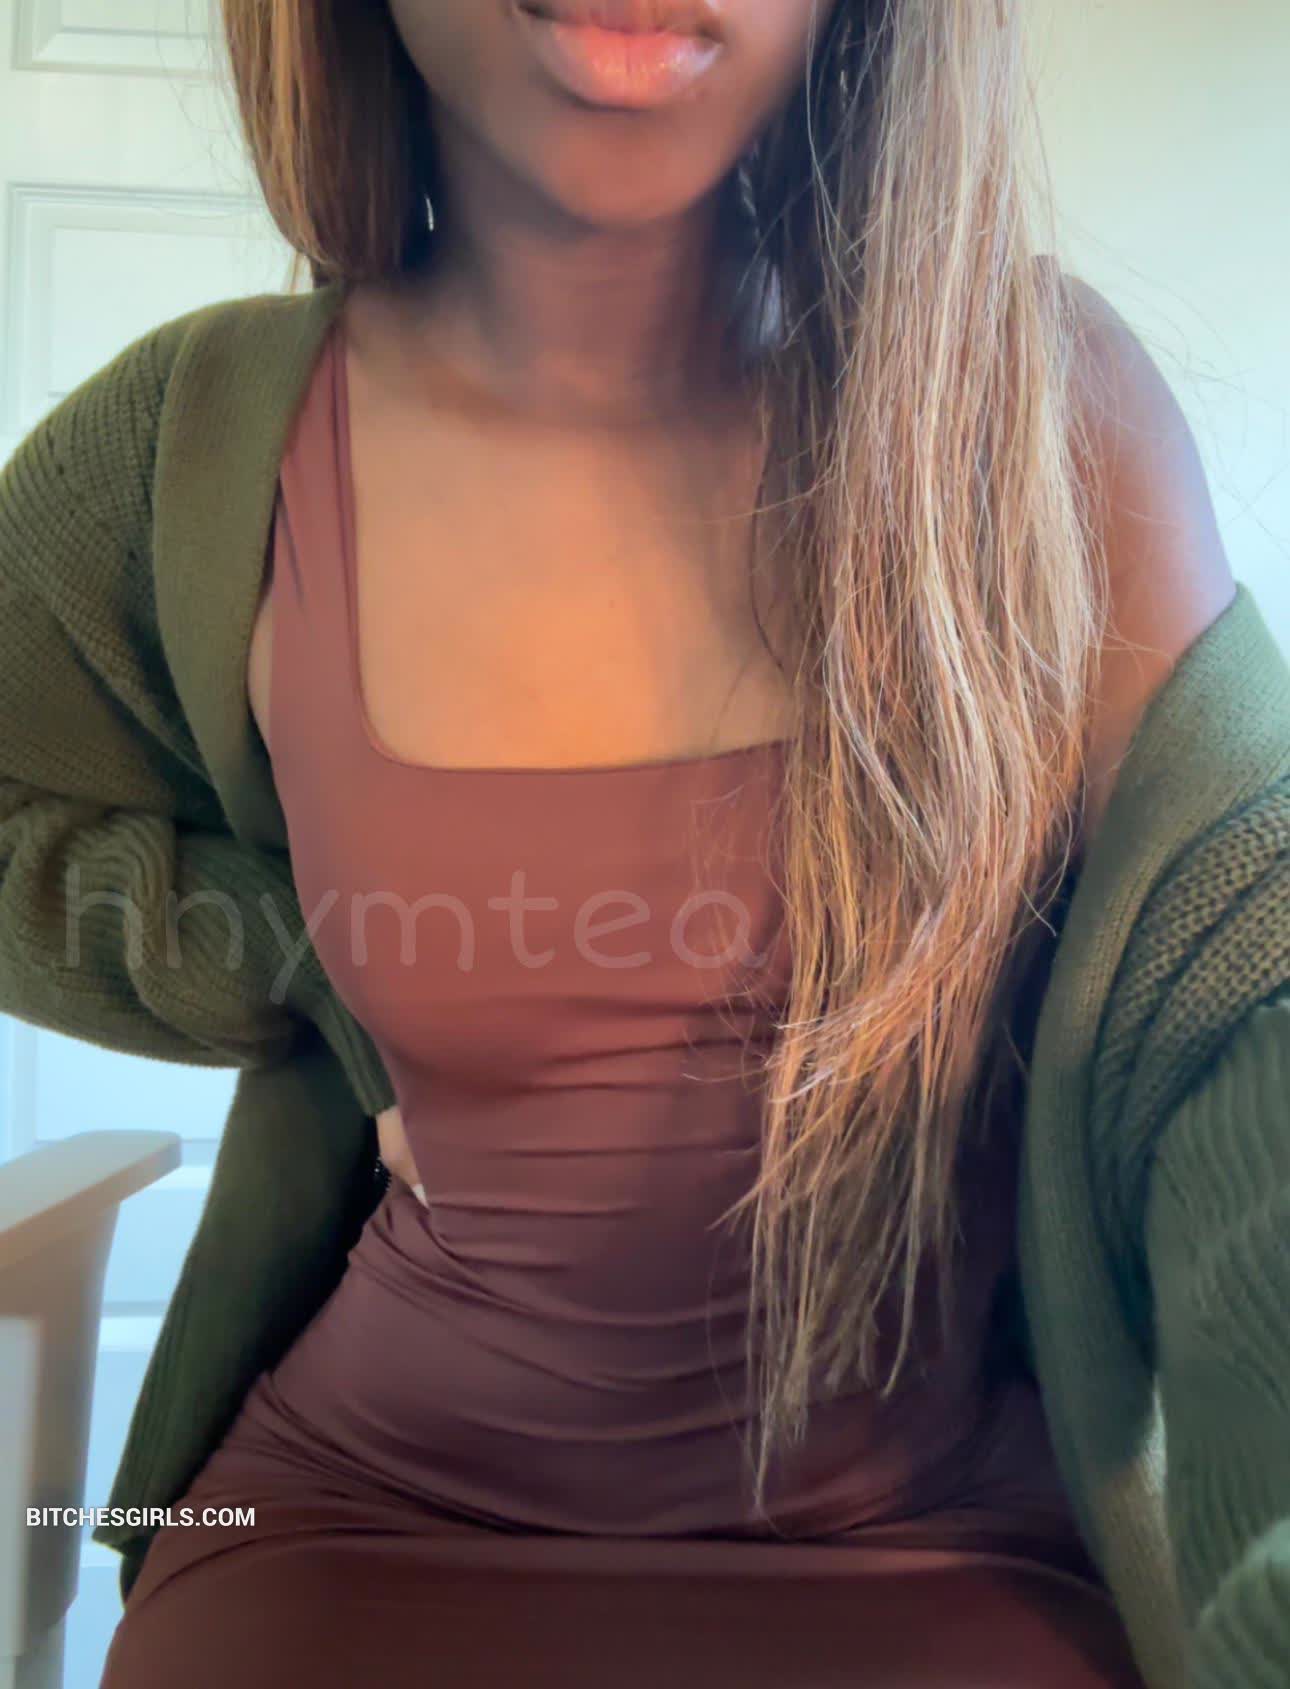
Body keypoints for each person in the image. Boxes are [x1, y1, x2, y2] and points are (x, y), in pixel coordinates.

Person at [0, 2, 1285, 1685]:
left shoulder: (1037, 406)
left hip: (952, 1541)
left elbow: (1248, 982)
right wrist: (300, 954)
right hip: (345, 1511)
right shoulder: (206, 434)